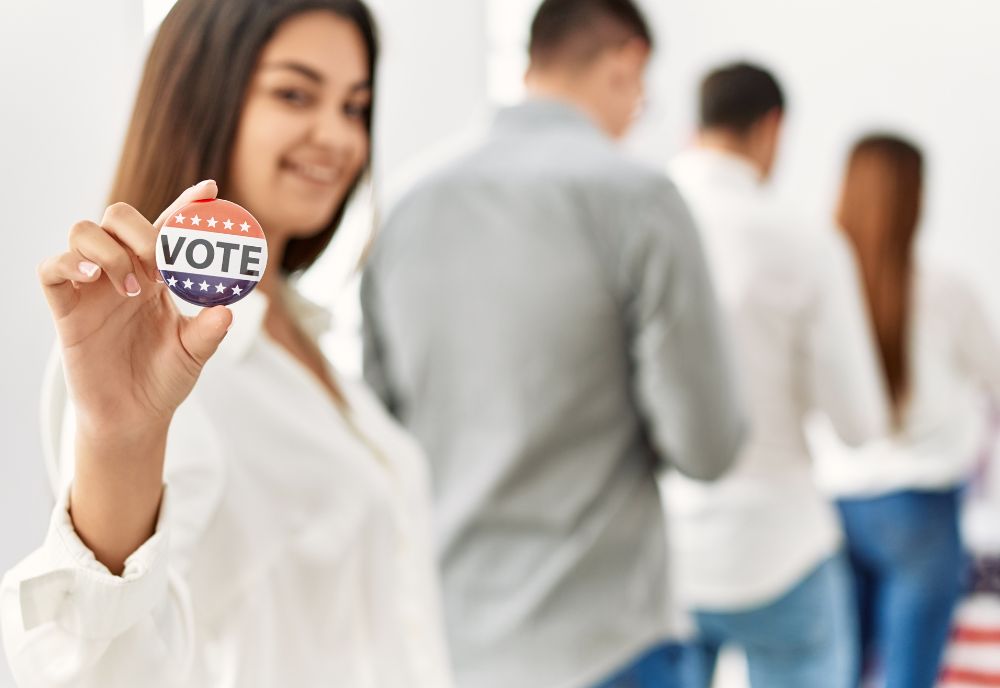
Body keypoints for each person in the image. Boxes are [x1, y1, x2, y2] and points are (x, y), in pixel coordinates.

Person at [0, 1, 454, 686]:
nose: (336, 135)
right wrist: (120, 441)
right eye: (295, 93)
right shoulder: (164, 356)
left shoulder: (301, 338)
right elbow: (103, 669)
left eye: (354, 107)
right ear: (201, 95)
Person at [359, 1, 745, 687]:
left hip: (452, 645)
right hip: (607, 642)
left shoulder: (408, 204)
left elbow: (380, 435)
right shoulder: (640, 198)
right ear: (626, 62)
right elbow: (706, 448)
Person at [662, 63, 890, 687]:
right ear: (772, 129)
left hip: (662, 555)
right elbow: (859, 425)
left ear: (692, 127)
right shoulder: (805, 244)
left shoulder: (638, 227)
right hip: (777, 550)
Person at [812, 134, 1000, 688]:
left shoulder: (818, 289)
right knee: (910, 677)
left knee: (837, 673)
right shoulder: (947, 290)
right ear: (918, 199)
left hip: (833, 503)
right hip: (923, 506)